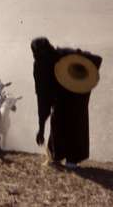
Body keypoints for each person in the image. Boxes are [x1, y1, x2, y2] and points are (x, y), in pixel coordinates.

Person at [31, 37, 103, 169]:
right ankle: (57, 156)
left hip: (77, 95)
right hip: (60, 99)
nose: (37, 57)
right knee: (58, 121)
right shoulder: (40, 67)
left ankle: (71, 159)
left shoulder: (65, 55)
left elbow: (96, 60)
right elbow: (42, 98)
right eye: (36, 55)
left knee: (74, 122)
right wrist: (41, 128)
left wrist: (79, 76)